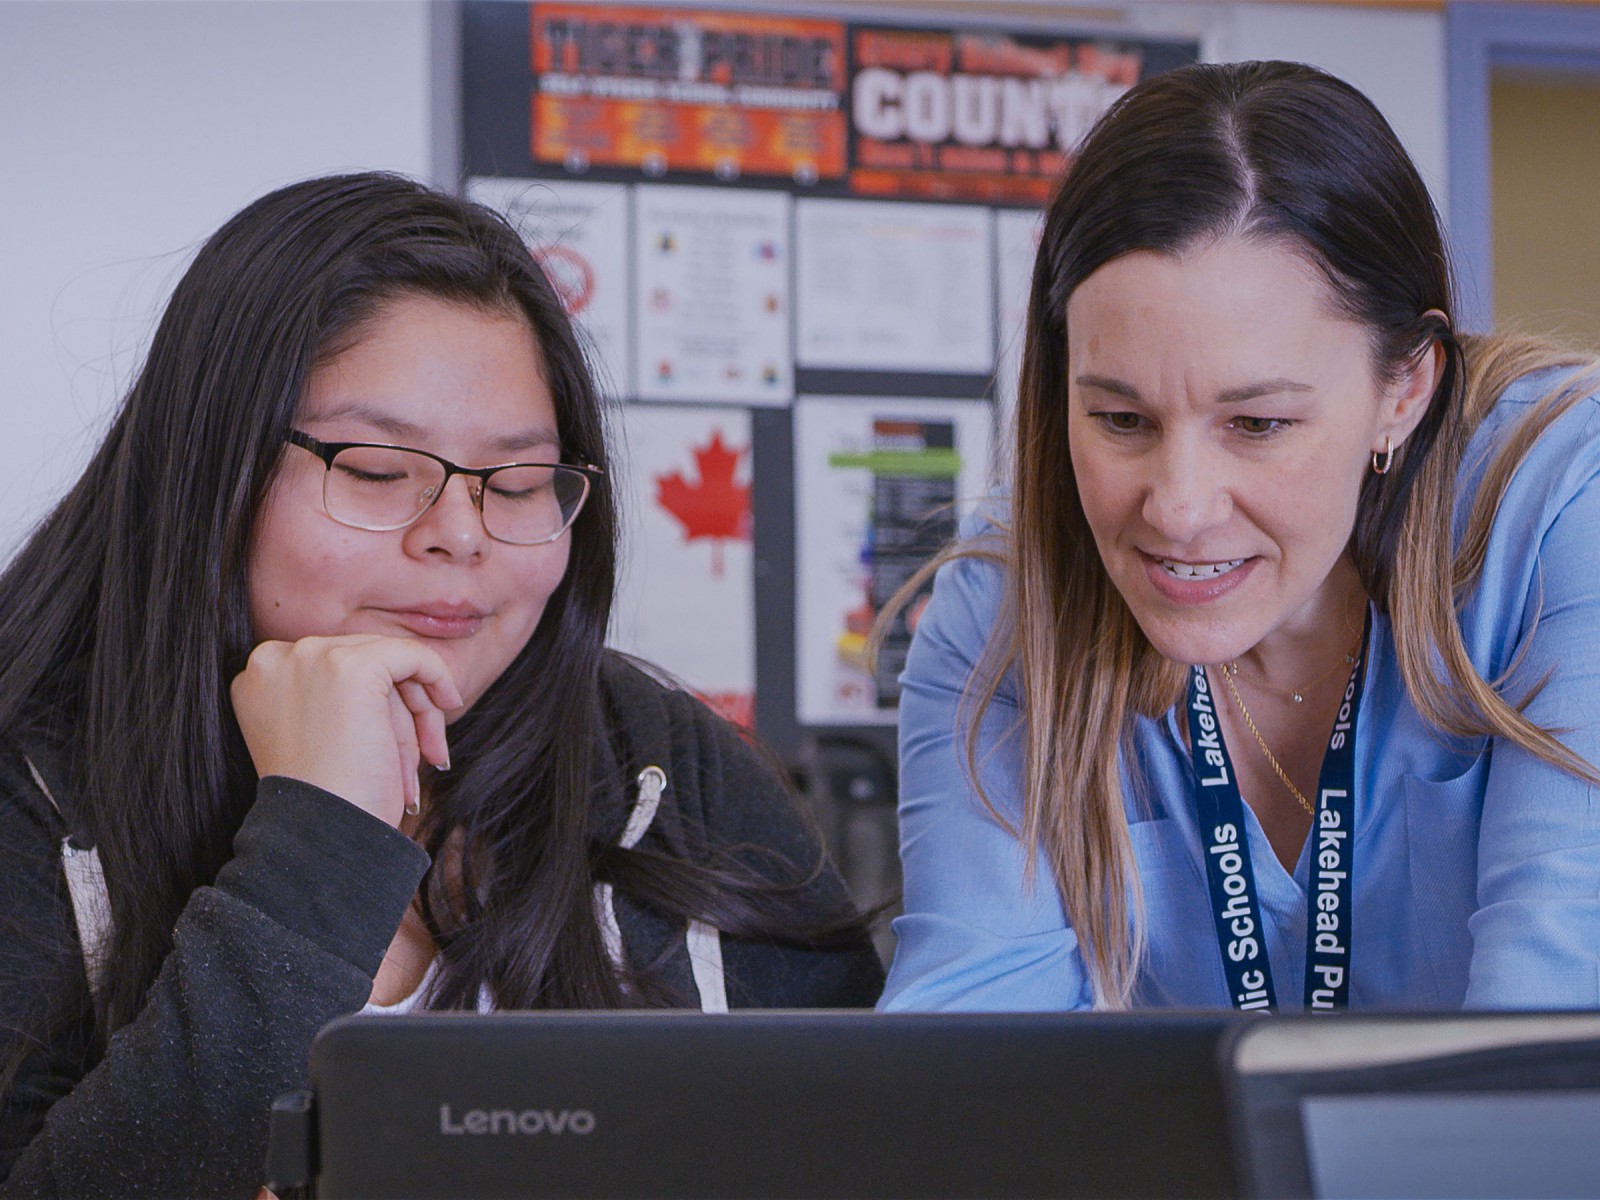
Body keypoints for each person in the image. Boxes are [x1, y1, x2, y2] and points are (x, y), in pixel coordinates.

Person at [0, 172, 884, 1197]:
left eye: (515, 483)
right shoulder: (32, 787)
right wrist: (317, 839)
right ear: (210, 469)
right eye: (378, 471)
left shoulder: (667, 772)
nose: (460, 534)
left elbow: (877, 1147)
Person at [880, 60, 1600, 1014]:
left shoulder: (1558, 502)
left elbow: (1553, 1035)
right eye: (1122, 421)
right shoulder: (1008, 597)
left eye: (1257, 425)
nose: (1178, 509)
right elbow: (968, 1075)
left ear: (1406, 387)